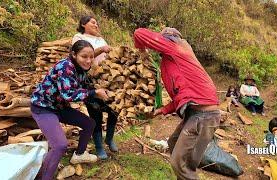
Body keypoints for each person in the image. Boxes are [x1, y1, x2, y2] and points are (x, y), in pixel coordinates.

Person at [134, 27, 220, 180]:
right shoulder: (171, 62)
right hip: (195, 113)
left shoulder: (177, 48)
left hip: (205, 115)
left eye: (164, 38)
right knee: (173, 144)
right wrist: (160, 111)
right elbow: (180, 98)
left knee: (178, 162)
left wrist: (142, 51)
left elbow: (139, 33)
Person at [31, 40, 109, 180]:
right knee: (60, 145)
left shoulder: (81, 69)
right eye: (84, 56)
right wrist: (94, 93)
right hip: (43, 107)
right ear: (74, 54)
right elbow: (68, 94)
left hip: (59, 107)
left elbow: (84, 87)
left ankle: (79, 155)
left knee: (89, 124)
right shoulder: (65, 67)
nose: (88, 60)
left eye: (91, 57)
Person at [72, 15, 118, 160]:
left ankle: (109, 138)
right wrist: (102, 49)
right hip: (90, 79)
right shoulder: (78, 37)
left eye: (97, 23)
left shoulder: (100, 39)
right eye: (93, 22)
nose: (96, 25)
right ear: (83, 24)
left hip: (107, 79)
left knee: (114, 109)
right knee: (95, 113)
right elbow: (84, 55)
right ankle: (99, 146)